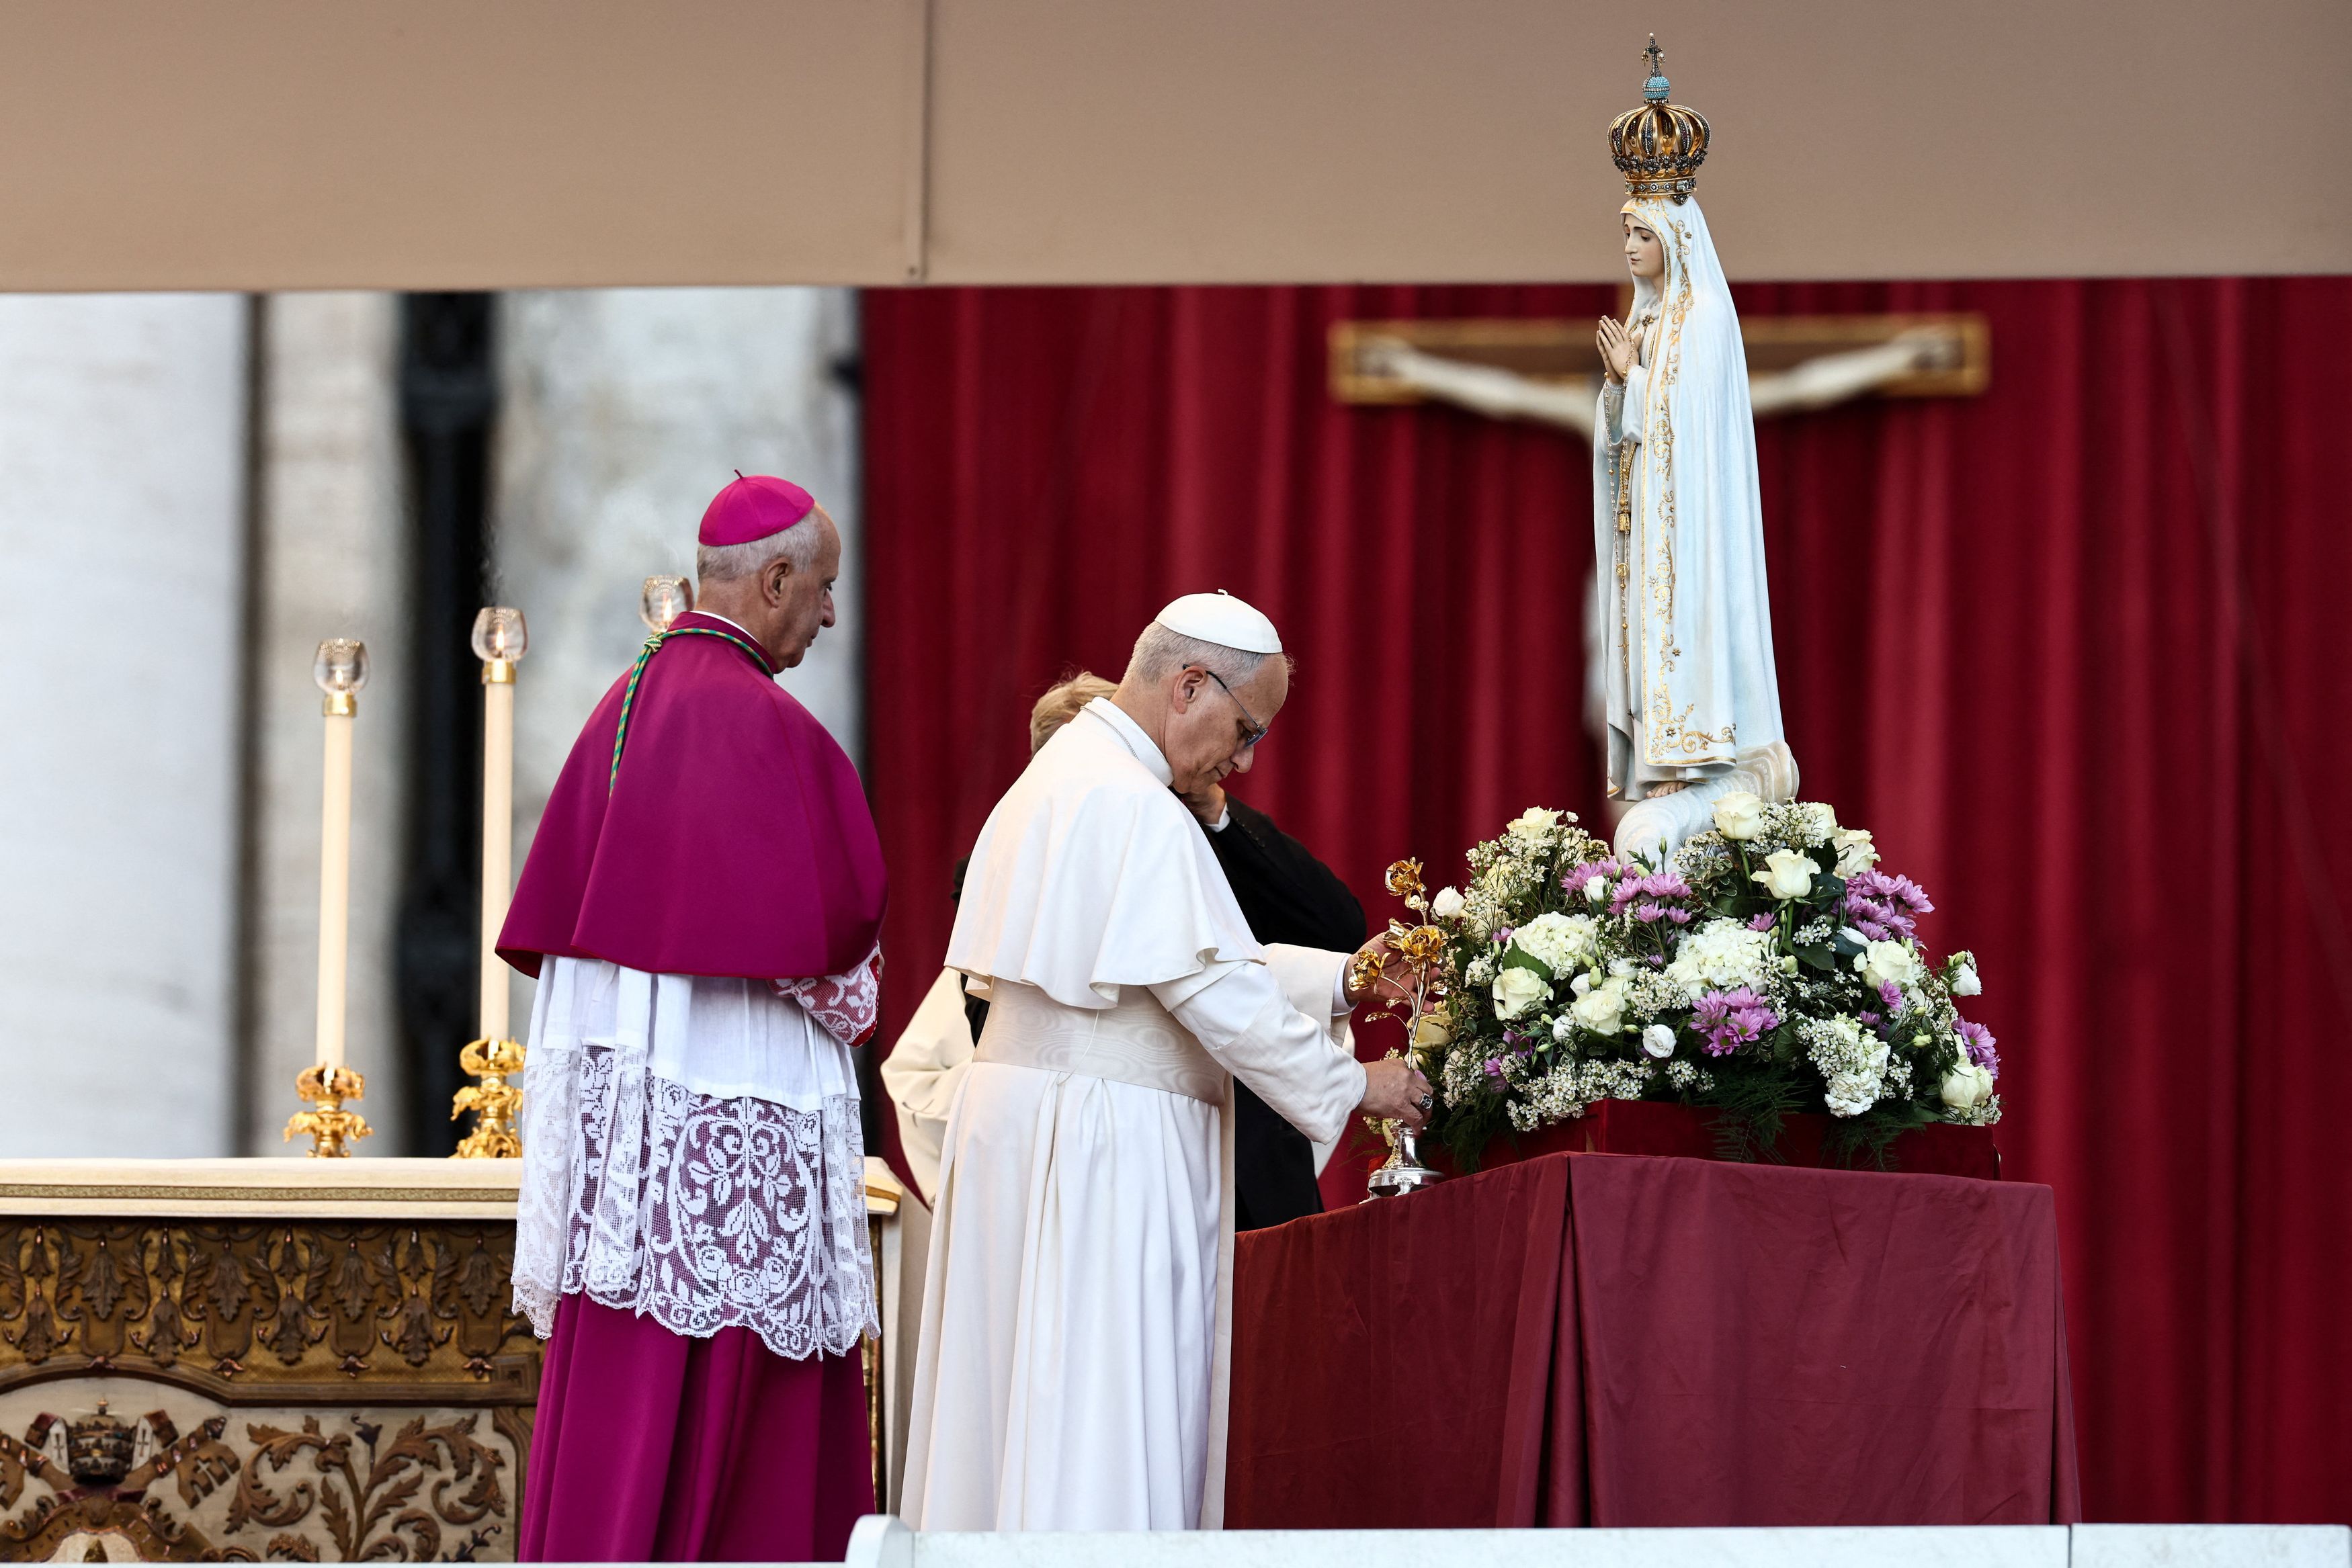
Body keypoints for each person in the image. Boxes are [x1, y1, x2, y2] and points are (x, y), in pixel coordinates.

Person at [898, 593, 1430, 1532]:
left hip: (1044, 1131)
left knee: (1028, 1416)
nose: (1247, 757)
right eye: (1245, 726)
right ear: (1191, 685)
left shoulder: (1075, 774)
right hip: (1105, 1153)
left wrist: (1346, 981)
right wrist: (1360, 1083)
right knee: (1098, 1416)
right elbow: (1210, 991)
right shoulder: (1130, 802)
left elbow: (1172, 964)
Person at [497, 474, 887, 1563]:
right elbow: (844, 968)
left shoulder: (618, 713)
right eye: (822, 588)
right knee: (745, 1455)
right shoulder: (776, 731)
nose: (829, 614)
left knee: (624, 1440)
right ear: (772, 580)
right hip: (739, 1171)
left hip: (635, 1190)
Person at [882, 672, 1365, 1227]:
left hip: (1257, 1174)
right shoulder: (1010, 871)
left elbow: (1337, 926)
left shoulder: (1198, 835)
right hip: (1127, 1174)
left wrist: (1215, 810)